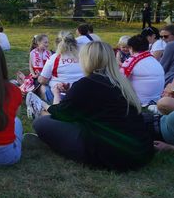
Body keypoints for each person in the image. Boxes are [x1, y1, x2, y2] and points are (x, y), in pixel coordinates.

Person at [28, 42, 154, 171]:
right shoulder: (121, 82)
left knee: (42, 122)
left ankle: (38, 113)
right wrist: (71, 91)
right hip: (141, 151)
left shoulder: (87, 83)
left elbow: (60, 114)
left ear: (86, 60)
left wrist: (55, 96)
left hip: (112, 154)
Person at [38, 31, 84, 103]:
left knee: (42, 87)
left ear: (57, 43)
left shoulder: (54, 58)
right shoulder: (83, 56)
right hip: (81, 93)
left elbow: (42, 80)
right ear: (75, 43)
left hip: (60, 95)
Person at [120, 35, 164, 106]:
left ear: (131, 48)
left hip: (141, 101)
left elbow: (119, 79)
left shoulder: (131, 60)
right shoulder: (153, 59)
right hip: (157, 99)